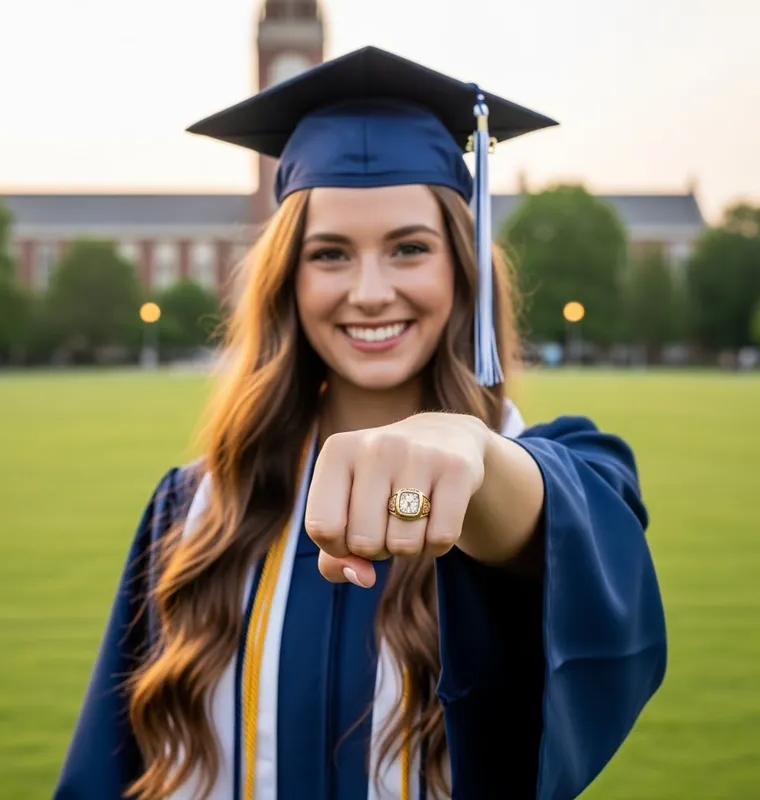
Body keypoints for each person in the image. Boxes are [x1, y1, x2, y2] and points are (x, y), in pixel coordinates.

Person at [54, 46, 667, 800]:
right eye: (331, 254)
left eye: (409, 248)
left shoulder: (542, 477)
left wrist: (471, 461)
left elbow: (586, 547)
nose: (370, 291)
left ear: (461, 269)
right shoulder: (193, 511)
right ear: (289, 279)